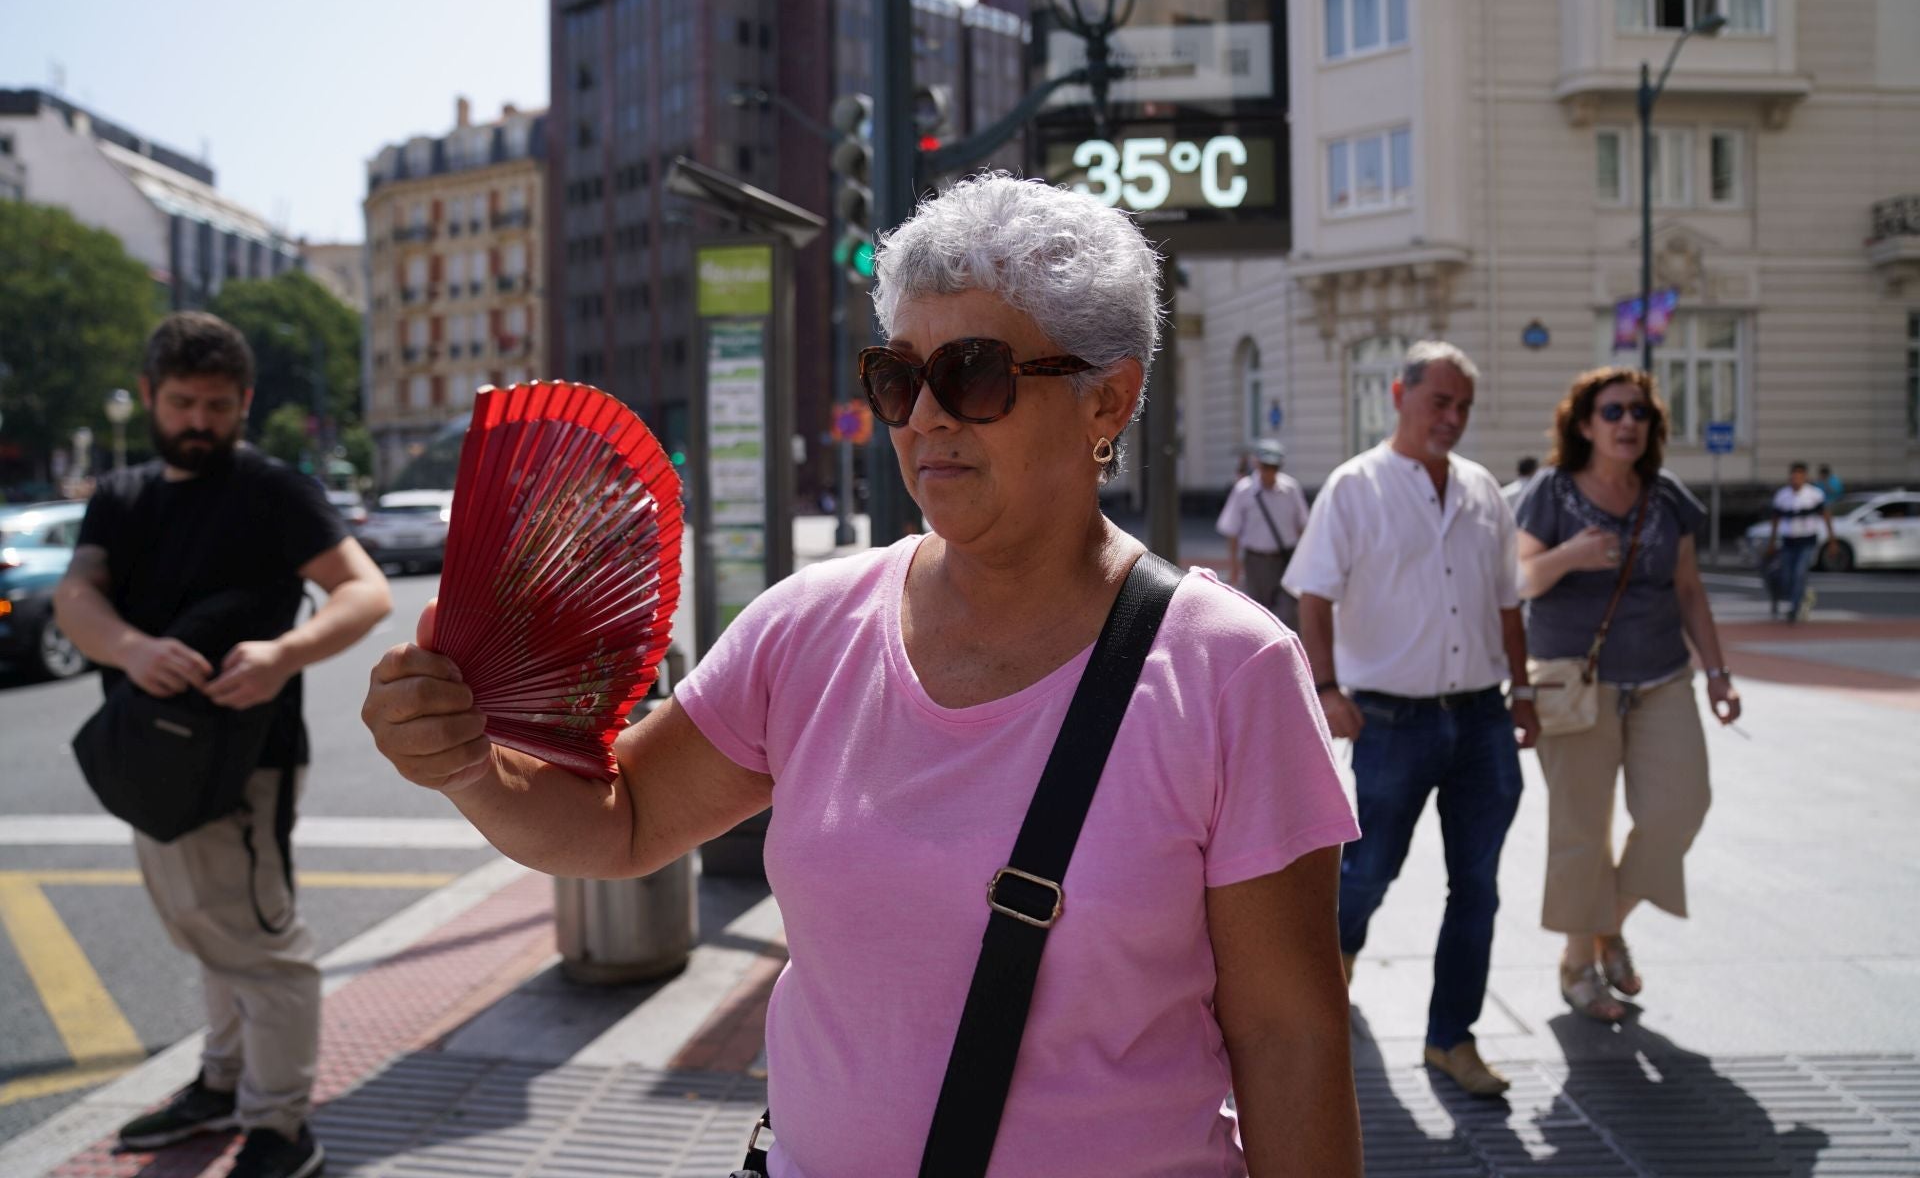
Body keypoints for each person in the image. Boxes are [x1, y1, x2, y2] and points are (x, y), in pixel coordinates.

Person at [361, 175, 1363, 1177]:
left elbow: (1290, 1040)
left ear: (1108, 396)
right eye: (897, 376)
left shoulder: (1232, 671)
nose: (925, 416)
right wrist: (466, 765)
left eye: (972, 373)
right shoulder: (808, 627)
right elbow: (619, 819)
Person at [53, 313, 392, 1178]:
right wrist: (130, 646)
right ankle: (220, 1081)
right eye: (180, 402)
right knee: (211, 934)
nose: (198, 420)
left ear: (243, 402)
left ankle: (282, 1130)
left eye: (215, 403)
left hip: (248, 759)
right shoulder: (122, 495)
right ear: (154, 397)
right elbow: (78, 597)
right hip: (148, 756)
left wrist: (285, 655)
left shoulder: (272, 490)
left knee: (260, 946)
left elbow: (364, 591)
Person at [1283, 339, 1538, 1100]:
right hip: (1391, 722)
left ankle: (1450, 1038)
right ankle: (1334, 964)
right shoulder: (1354, 487)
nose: (1452, 418)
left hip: (1483, 720)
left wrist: (1523, 693)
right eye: (1440, 402)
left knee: (1478, 886)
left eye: (1463, 406)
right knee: (1368, 872)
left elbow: (1506, 603)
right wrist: (1326, 687)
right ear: (1400, 394)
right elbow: (1313, 597)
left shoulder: (1483, 489)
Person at [1514, 367, 1741, 1024]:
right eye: (1612, 412)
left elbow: (1690, 590)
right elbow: (1520, 578)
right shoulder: (1551, 492)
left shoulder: (1667, 497)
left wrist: (1718, 673)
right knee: (1582, 830)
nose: (1628, 424)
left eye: (1639, 413)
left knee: (1680, 808)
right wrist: (1571, 556)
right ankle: (1578, 963)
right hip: (1574, 682)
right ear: (1584, 424)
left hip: (1663, 675)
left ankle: (1604, 923)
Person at [1215, 437, 1310, 628]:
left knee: (1289, 613)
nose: (1269, 472)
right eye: (1266, 467)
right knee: (1257, 614)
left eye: (1274, 467)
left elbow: (1303, 526)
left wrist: (1305, 562)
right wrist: (1234, 566)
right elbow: (1232, 531)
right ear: (1257, 464)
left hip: (1286, 559)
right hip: (1255, 561)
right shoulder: (1244, 490)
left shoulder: (1290, 489)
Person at [1765, 462, 1838, 622]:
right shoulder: (1782, 495)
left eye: (1799, 476)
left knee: (1799, 573)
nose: (1795, 479)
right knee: (1786, 575)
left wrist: (1832, 540)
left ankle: (1794, 608)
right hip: (1788, 541)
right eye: (1793, 476)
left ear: (1804, 477)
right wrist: (1771, 542)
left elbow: (1826, 516)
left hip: (1807, 541)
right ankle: (1803, 596)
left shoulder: (1814, 495)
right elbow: (1775, 519)